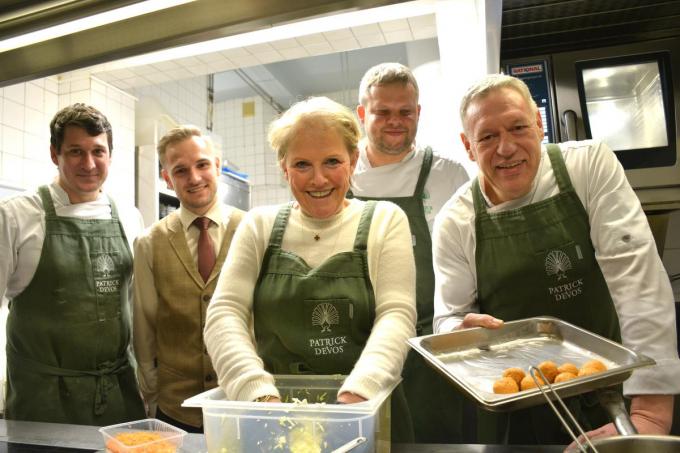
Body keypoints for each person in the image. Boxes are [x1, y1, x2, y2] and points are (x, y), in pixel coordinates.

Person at [433, 73, 680, 445]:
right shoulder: (455, 221)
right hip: (518, 405)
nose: (506, 148)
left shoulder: (588, 166)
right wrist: (458, 333)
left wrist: (650, 412)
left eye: (518, 127)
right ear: (468, 146)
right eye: (487, 137)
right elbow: (448, 317)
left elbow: (637, 279)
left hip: (616, 389)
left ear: (539, 124)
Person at [204, 96, 417, 442]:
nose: (318, 179)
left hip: (370, 415)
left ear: (353, 160)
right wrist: (257, 394)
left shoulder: (385, 220)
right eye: (302, 164)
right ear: (284, 168)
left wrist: (359, 394)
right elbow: (224, 314)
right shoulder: (259, 226)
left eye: (332, 161)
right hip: (274, 420)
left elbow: (397, 314)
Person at [0, 103, 146, 424]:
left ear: (110, 155)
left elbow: (136, 308)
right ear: (55, 154)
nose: (89, 164)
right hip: (43, 399)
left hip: (118, 394)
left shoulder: (128, 216)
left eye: (98, 151)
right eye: (76, 152)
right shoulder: (16, 215)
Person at [351, 62, 471, 443]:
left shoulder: (448, 175)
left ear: (418, 112)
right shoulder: (341, 173)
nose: (395, 121)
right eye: (382, 112)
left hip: (429, 350)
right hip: (356, 348)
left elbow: (469, 264)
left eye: (405, 111)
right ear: (362, 114)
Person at [133, 126, 244, 433]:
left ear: (217, 166)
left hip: (242, 404)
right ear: (167, 179)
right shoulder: (149, 243)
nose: (194, 178)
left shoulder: (253, 230)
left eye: (202, 164)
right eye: (180, 170)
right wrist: (151, 393)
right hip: (175, 409)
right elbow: (144, 325)